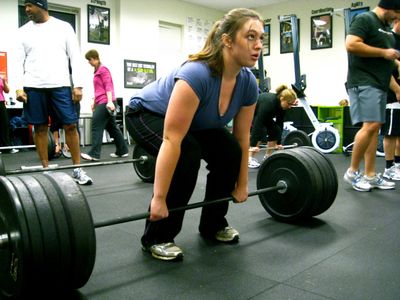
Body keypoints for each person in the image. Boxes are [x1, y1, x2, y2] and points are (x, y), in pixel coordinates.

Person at [125, 8, 264, 261]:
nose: (258, 46)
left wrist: (242, 184)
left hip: (193, 122)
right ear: (228, 41)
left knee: (229, 150)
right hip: (146, 113)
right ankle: (157, 236)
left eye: (261, 38)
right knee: (187, 154)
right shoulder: (197, 74)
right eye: (251, 37)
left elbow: (242, 138)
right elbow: (172, 140)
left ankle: (213, 224)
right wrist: (159, 199)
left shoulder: (248, 83)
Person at [14, 0, 92, 185]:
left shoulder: (64, 27)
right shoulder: (22, 32)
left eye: (29, 5)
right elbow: (17, 61)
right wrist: (18, 87)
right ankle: (45, 170)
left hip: (60, 85)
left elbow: (75, 56)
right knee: (40, 128)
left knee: (70, 126)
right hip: (34, 86)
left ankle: (77, 169)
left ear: (41, 5)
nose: (26, 9)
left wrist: (78, 85)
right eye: (25, 6)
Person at [343, 0, 400, 192]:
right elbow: (351, 44)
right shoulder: (365, 19)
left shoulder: (385, 29)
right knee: (371, 125)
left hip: (380, 83)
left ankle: (370, 174)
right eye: (396, 14)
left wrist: (397, 82)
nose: (397, 18)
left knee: (375, 129)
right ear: (389, 8)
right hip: (363, 81)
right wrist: (384, 52)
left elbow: (386, 63)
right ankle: (352, 172)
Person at [80, 49, 128, 161]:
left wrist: (110, 101)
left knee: (96, 126)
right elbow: (98, 89)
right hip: (101, 101)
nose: (89, 62)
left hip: (106, 102)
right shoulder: (97, 71)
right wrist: (94, 102)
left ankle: (94, 154)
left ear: (95, 58)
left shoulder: (103, 69)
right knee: (112, 127)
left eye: (89, 60)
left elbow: (108, 86)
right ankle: (123, 150)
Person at [248, 85, 297, 168]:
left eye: (291, 105)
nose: (290, 106)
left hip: (264, 116)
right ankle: (249, 158)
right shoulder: (269, 103)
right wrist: (253, 145)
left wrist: (279, 143)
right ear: (282, 99)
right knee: (260, 132)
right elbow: (258, 124)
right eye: (289, 104)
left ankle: (267, 157)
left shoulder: (282, 107)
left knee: (275, 130)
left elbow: (279, 123)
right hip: (250, 113)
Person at [382, 18, 400, 180]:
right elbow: (385, 69)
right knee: (391, 133)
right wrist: (397, 90)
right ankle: (389, 167)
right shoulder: (389, 39)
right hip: (391, 93)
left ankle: (398, 166)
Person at [0, 75, 19, 154]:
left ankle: (6, 147)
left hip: (1, 102)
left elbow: (7, 91)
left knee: (5, 124)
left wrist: (4, 81)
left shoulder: (0, 77)